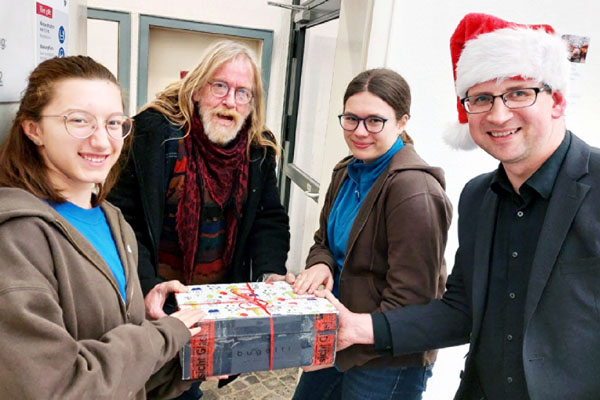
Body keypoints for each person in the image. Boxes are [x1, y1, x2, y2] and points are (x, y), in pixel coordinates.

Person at [323, 12, 600, 400]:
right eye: (482, 98)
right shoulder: (478, 196)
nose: (499, 114)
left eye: (519, 92)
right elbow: (460, 311)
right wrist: (357, 328)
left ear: (556, 100)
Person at [0, 55, 206, 399]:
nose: (102, 141)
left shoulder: (115, 221)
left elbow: (126, 377)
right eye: (79, 121)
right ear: (33, 129)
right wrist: (166, 334)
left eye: (113, 123)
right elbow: (59, 387)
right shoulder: (16, 239)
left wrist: (197, 359)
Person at [108, 40, 291, 398]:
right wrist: (147, 285)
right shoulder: (154, 133)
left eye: (243, 93)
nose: (230, 102)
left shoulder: (258, 148)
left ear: (253, 104)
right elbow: (123, 219)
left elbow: (268, 218)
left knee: (186, 387)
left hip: (216, 303)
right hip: (154, 300)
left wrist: (269, 273)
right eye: (220, 86)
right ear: (196, 88)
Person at [291, 68, 453, 400]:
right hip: (337, 337)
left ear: (402, 121)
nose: (360, 131)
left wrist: (353, 333)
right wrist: (321, 265)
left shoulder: (414, 191)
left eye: (374, 121)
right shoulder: (346, 171)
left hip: (386, 358)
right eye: (351, 119)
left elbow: (413, 300)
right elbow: (323, 241)